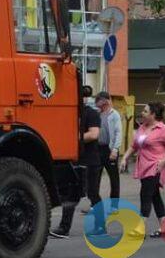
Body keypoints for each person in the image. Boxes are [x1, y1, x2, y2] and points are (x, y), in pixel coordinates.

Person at [120, 102, 165, 238]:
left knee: (145, 194)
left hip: (156, 167)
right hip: (143, 167)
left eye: (146, 111)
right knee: (155, 196)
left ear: (153, 114)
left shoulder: (163, 129)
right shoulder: (142, 128)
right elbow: (134, 145)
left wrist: (164, 161)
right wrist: (125, 158)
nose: (142, 113)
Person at [52, 85, 103, 238]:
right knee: (71, 195)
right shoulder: (70, 114)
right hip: (74, 159)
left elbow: (94, 134)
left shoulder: (92, 114)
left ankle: (100, 227)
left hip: (91, 160)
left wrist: (73, 139)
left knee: (93, 194)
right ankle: (64, 228)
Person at [95, 91, 123, 201]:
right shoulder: (97, 114)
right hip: (97, 149)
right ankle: (95, 203)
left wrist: (115, 149)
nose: (97, 102)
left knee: (114, 178)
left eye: (98, 100)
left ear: (105, 101)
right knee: (95, 177)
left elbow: (118, 132)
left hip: (109, 148)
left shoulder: (114, 114)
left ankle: (114, 204)